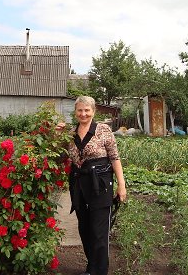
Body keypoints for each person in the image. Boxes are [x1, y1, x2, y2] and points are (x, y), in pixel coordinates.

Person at [66, 95, 127, 275]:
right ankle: (91, 267)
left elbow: (115, 158)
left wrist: (121, 185)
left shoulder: (103, 130)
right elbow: (62, 156)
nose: (83, 114)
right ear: (75, 111)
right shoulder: (70, 133)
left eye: (87, 110)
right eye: (80, 110)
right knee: (84, 229)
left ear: (93, 111)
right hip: (78, 184)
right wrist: (54, 134)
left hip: (100, 184)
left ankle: (99, 271)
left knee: (99, 232)